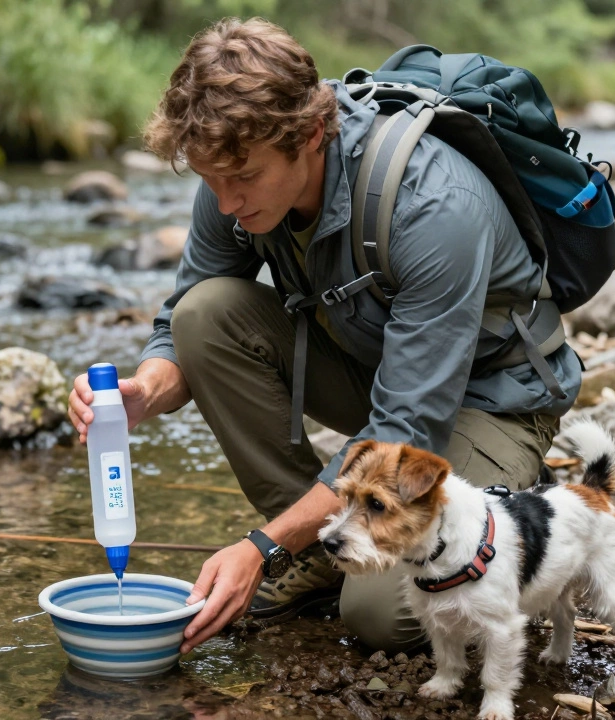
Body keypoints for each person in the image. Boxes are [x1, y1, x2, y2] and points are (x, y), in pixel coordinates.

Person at [66, 17, 579, 654]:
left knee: (383, 616)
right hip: (376, 370)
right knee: (207, 311)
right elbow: (180, 326)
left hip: (489, 396)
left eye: (244, 179)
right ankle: (312, 547)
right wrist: (147, 388)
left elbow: (402, 436)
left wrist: (259, 547)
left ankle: (499, 507)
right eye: (210, 181)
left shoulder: (434, 207)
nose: (226, 203)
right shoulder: (230, 167)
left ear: (311, 133)